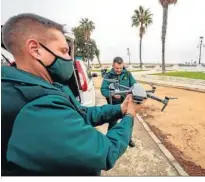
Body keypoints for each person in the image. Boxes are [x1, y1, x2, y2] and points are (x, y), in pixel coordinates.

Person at [1, 13, 143, 176]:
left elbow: (82, 113)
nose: (69, 58)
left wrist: (120, 108)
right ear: (35, 49)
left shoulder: (45, 87)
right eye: (64, 51)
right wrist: (130, 115)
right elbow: (106, 151)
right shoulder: (36, 105)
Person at [101, 57, 137, 147]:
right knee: (112, 122)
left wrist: (134, 90)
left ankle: (128, 138)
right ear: (113, 66)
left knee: (129, 121)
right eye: (117, 68)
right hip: (114, 104)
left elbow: (134, 85)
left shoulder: (128, 74)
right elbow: (103, 89)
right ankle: (109, 140)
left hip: (127, 102)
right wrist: (112, 94)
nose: (119, 70)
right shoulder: (108, 75)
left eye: (121, 68)